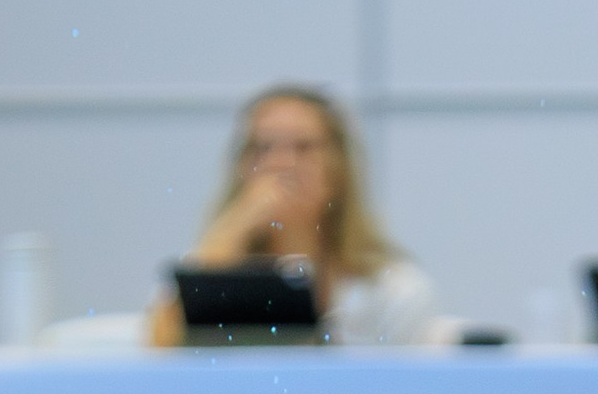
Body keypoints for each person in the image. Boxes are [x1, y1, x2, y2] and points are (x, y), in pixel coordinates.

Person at [149, 88, 441, 348]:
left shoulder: (391, 288)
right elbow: (158, 350)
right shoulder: (215, 266)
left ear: (339, 167)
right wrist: (231, 229)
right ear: (241, 167)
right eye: (263, 148)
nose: (281, 163)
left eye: (303, 147)